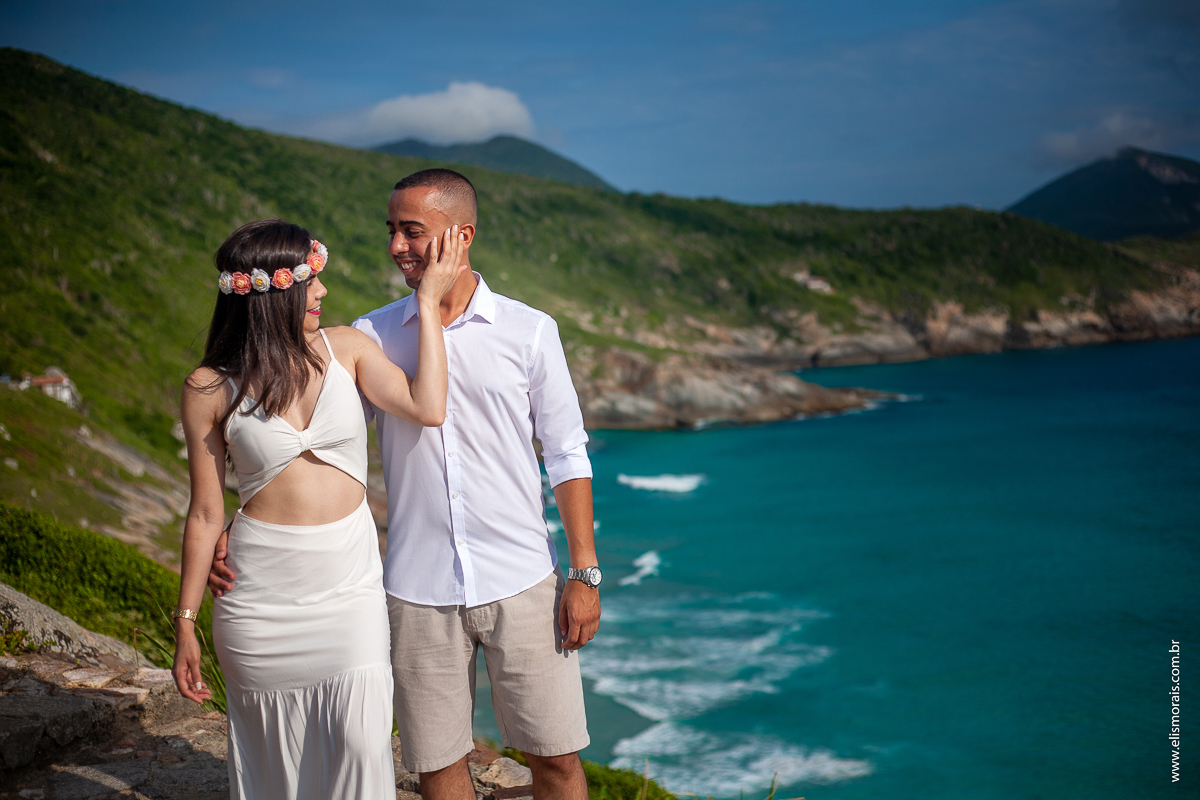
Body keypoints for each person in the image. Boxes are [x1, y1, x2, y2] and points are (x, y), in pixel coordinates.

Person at [210, 169, 602, 800]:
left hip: (523, 579)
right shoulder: (370, 336)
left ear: (461, 234)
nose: (396, 246)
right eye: (391, 230)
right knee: (438, 767)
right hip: (414, 591)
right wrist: (239, 523)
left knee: (555, 760)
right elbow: (319, 444)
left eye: (411, 231)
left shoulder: (531, 331)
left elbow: (566, 453)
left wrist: (583, 574)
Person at [173, 217, 466, 799]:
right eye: (310, 281)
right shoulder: (209, 387)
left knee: (362, 748)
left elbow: (428, 405)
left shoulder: (348, 349)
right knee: (272, 760)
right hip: (259, 603)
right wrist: (185, 623)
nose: (323, 292)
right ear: (271, 294)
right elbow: (205, 512)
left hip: (348, 593)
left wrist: (428, 303)